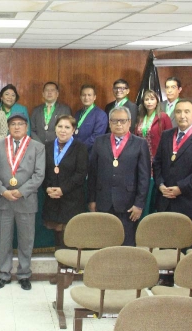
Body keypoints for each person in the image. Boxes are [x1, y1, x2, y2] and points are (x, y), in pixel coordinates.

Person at [0, 112, 45, 291]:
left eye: (20, 124)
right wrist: (3, 191)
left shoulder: (37, 147)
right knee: (4, 240)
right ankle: (4, 274)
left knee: (26, 240)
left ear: (26, 126)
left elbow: (39, 175)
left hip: (26, 201)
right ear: (8, 127)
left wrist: (21, 191)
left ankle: (24, 274)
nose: (16, 127)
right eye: (13, 124)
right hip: (3, 201)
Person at [153, 99, 192, 250]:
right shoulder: (166, 135)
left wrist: (181, 188)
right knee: (166, 247)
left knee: (190, 249)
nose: (182, 115)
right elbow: (157, 163)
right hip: (166, 200)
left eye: (187, 112)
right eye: (178, 112)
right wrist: (160, 184)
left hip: (189, 201)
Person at [88, 107, 150, 246]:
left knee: (126, 244)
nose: (119, 124)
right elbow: (93, 173)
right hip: (104, 201)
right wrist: (92, 199)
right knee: (104, 243)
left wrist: (139, 204)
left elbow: (144, 177)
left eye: (122, 121)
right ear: (109, 123)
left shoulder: (140, 143)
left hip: (128, 204)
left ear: (129, 122)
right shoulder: (99, 142)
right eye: (115, 121)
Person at [43, 115, 88, 248]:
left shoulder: (80, 147)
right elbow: (41, 172)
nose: (63, 130)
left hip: (71, 198)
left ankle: (70, 265)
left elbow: (81, 174)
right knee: (57, 233)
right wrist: (47, 188)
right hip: (52, 198)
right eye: (60, 126)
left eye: (67, 127)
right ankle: (61, 264)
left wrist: (63, 189)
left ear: (73, 130)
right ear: (55, 128)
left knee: (69, 234)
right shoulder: (47, 146)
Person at [135, 89, 173, 215]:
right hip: (141, 157)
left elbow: (169, 138)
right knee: (142, 185)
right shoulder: (141, 117)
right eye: (146, 99)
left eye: (152, 99)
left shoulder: (163, 117)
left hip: (157, 157)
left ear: (157, 101)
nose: (149, 102)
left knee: (155, 186)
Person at [74, 84, 108, 151]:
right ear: (80, 97)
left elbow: (97, 136)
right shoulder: (77, 114)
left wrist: (81, 148)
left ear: (94, 97)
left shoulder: (101, 114)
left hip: (90, 153)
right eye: (84, 95)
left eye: (89, 95)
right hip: (76, 151)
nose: (86, 98)